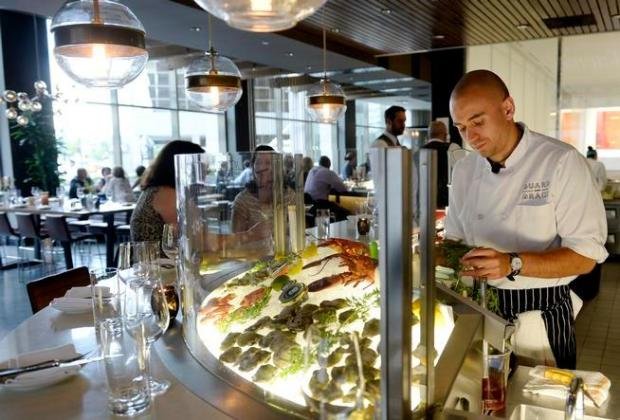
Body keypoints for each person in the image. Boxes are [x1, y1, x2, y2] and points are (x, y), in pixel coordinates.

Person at [445, 69, 608, 369]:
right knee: (486, 403)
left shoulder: (561, 161)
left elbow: (586, 257)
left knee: (545, 408)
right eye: (461, 127)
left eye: (478, 122)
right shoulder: (465, 170)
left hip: (541, 314)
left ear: (508, 108)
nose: (470, 137)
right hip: (481, 308)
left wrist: (512, 263)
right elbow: (454, 242)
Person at [130, 140, 205, 243]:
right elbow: (194, 236)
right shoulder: (167, 194)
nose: (205, 171)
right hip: (159, 258)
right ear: (183, 166)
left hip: (161, 257)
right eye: (200, 165)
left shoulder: (157, 190)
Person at [421, 120, 455, 208]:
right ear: (445, 135)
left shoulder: (418, 153)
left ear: (428, 135)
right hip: (448, 202)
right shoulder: (452, 150)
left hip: (424, 202)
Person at [304, 156, 349, 221]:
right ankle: (337, 228)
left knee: (336, 208)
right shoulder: (327, 172)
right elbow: (342, 189)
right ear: (329, 165)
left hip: (309, 206)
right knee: (345, 213)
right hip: (320, 205)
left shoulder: (312, 170)